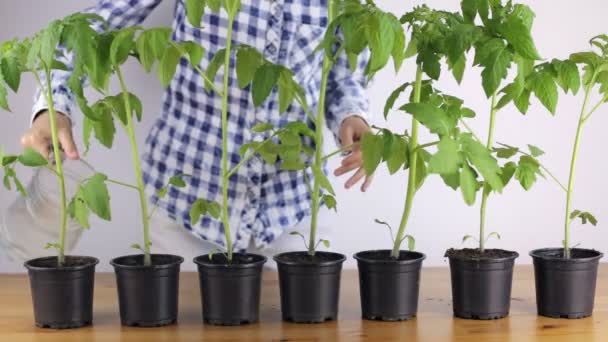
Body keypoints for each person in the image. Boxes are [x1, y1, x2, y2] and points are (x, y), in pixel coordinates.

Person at [18, 0, 373, 263]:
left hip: (294, 207)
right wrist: (53, 104)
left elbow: (345, 70)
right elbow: (94, 26)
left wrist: (351, 117)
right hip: (186, 206)